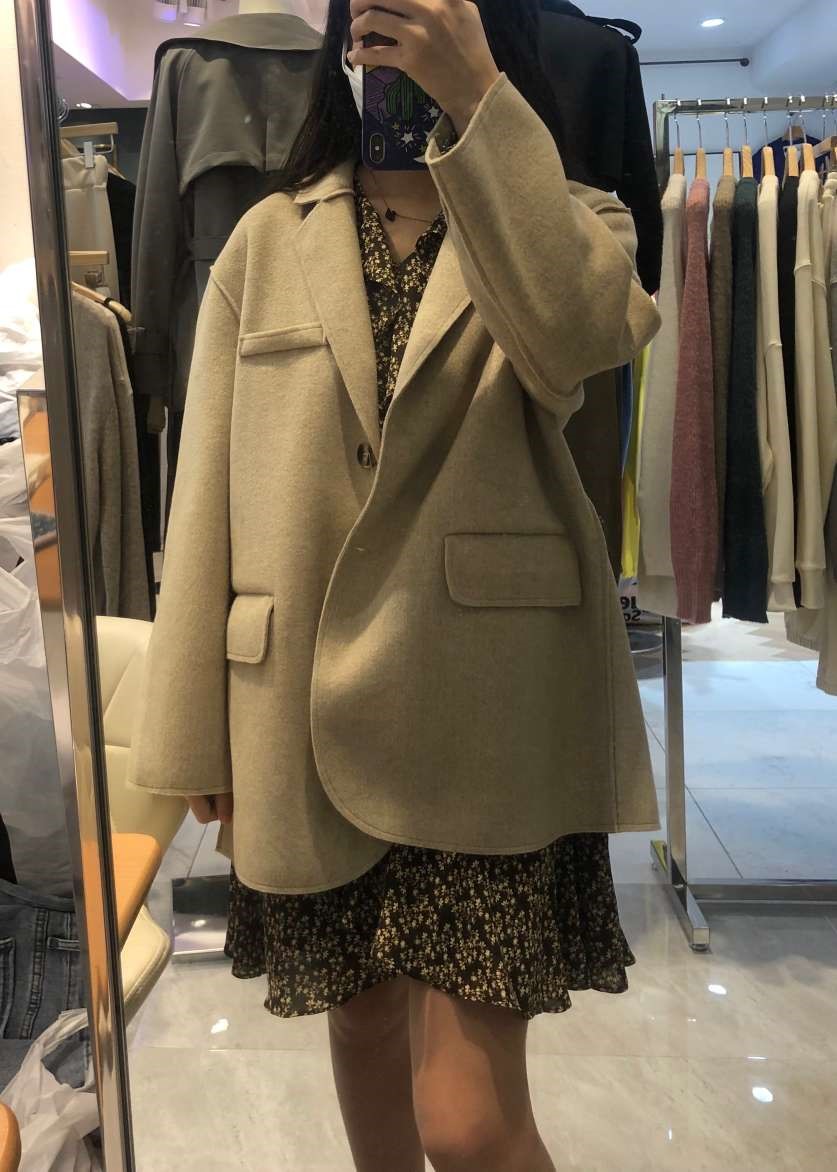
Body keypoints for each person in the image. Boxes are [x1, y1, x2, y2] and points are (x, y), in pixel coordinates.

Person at [129, 1, 661, 1169]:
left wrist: (478, 104)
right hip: (300, 706)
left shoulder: (570, 219)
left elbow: (579, 337)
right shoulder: (268, 239)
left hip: (489, 709)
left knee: (469, 1124)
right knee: (363, 1027)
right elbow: (206, 488)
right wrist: (193, 726)